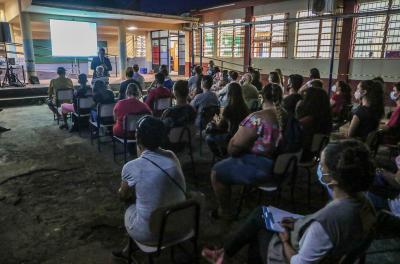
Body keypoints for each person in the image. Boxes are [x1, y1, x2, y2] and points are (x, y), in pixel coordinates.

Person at [202, 139, 376, 264]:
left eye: (321, 167)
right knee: (260, 213)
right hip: (315, 240)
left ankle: (224, 255)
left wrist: (284, 240)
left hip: (294, 250)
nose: (318, 169)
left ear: (332, 179)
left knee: (260, 232)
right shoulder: (364, 203)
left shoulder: (324, 224)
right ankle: (223, 254)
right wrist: (300, 223)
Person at [114, 116, 187, 258]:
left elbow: (122, 195)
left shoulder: (131, 167)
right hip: (182, 224)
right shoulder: (171, 156)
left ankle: (128, 249)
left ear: (137, 138)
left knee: (127, 200)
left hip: (150, 234)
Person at [210, 83, 285, 218]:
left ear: (262, 97)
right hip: (282, 168)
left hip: (263, 169)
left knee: (216, 172)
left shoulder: (258, 118)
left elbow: (233, 148)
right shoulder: (288, 117)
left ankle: (224, 212)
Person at [206, 82, 250, 158]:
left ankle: (220, 156)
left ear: (228, 93)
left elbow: (220, 126)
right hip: (242, 136)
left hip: (231, 136)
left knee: (208, 137)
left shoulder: (229, 108)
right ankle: (225, 152)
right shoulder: (245, 107)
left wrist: (216, 120)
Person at [296, 87, 332, 161]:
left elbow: (293, 126)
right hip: (312, 154)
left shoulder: (308, 119)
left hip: (301, 154)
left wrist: (297, 108)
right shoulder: (324, 117)